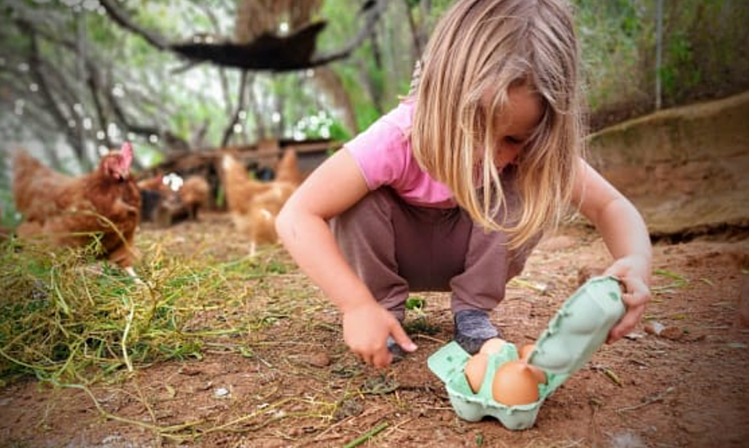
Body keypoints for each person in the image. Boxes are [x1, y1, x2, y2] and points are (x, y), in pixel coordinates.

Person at [275, 0, 652, 369]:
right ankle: (381, 309)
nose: (488, 155)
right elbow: (297, 214)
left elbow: (609, 206)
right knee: (356, 198)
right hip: (395, 250)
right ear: (441, 97)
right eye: (473, 127)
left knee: (529, 180)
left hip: (472, 252)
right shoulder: (399, 137)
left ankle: (472, 313)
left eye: (512, 140)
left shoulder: (535, 147)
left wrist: (635, 262)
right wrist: (354, 304)